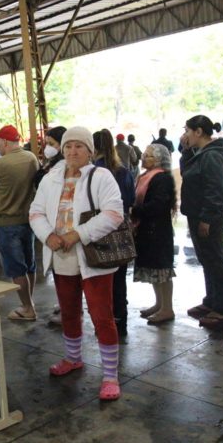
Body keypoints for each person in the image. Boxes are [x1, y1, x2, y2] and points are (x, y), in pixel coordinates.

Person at [29, 126, 124, 401]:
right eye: (68, 146)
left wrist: (77, 234)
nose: (72, 151)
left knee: (101, 316)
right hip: (61, 257)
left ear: (89, 151)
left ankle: (109, 375)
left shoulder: (101, 176)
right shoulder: (51, 178)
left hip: (92, 258)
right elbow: (35, 212)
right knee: (69, 312)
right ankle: (73, 358)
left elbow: (114, 213)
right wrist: (48, 236)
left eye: (79, 146)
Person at [0, 125, 40, 320]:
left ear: (5, 142)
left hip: (7, 222)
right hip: (29, 220)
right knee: (30, 264)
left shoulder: (0, 164)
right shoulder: (31, 158)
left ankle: (27, 309)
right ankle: (29, 302)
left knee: (16, 268)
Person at [180, 116, 223, 330]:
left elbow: (215, 190)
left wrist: (206, 218)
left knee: (215, 262)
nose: (186, 134)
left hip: (209, 218)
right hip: (199, 215)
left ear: (199, 131)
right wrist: (185, 150)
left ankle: (221, 309)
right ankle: (211, 301)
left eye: (188, 130)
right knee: (207, 260)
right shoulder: (201, 154)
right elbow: (188, 173)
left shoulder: (212, 156)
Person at [93, 130, 135, 336]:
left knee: (101, 280)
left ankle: (106, 323)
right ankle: (121, 320)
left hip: (99, 229)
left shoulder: (93, 172)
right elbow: (131, 199)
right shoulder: (123, 171)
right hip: (122, 229)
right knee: (119, 279)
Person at [131, 144, 177, 324]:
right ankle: (159, 304)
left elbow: (159, 205)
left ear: (158, 160)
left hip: (157, 230)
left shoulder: (161, 178)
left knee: (162, 270)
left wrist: (134, 211)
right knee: (155, 271)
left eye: (148, 155)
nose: (143, 157)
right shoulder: (146, 176)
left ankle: (167, 308)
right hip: (147, 229)